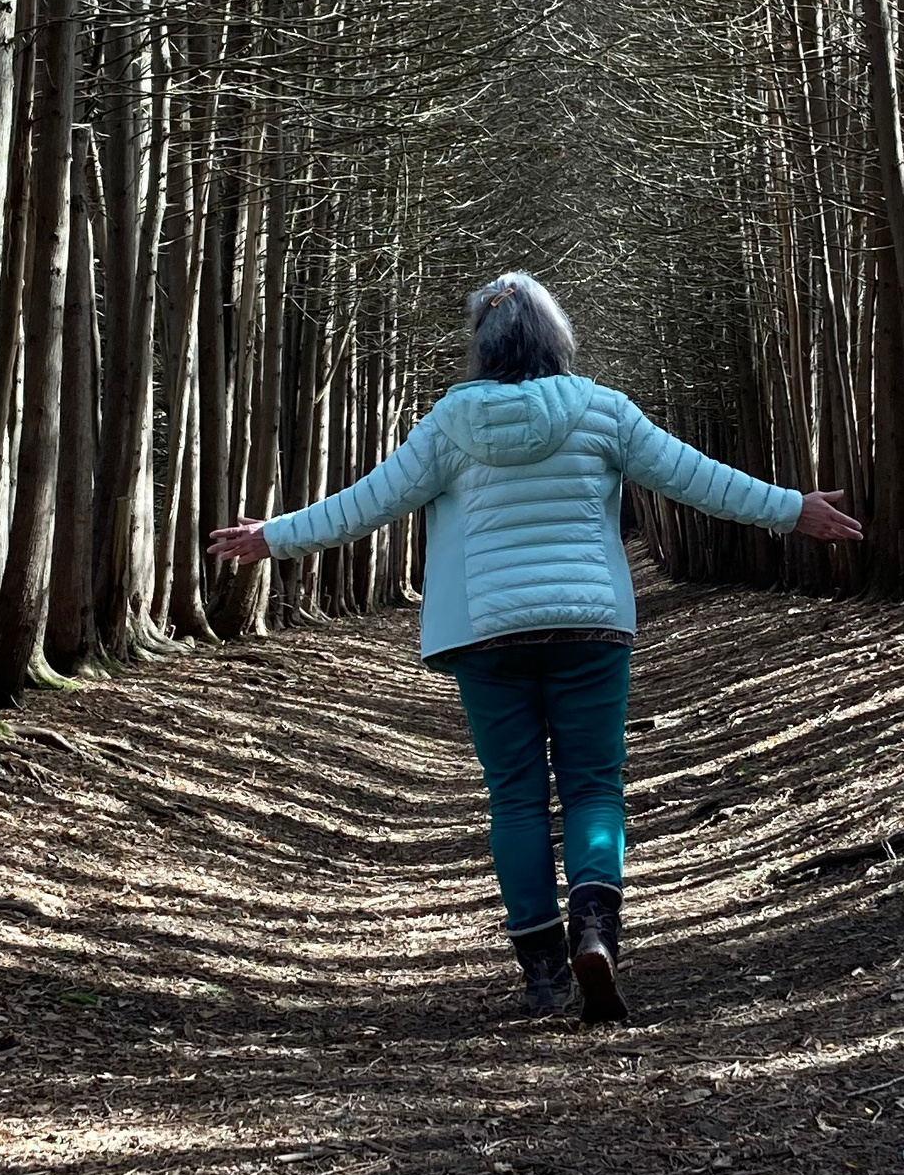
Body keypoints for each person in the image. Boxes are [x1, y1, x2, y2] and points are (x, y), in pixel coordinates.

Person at [208, 271, 861, 1024]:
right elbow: (696, 478)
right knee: (592, 786)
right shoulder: (602, 410)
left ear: (481, 347)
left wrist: (273, 536)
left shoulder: (450, 422)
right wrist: (792, 509)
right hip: (589, 627)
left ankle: (545, 970)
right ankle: (595, 926)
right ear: (558, 336)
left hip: (488, 634)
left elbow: (370, 501)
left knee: (516, 795)